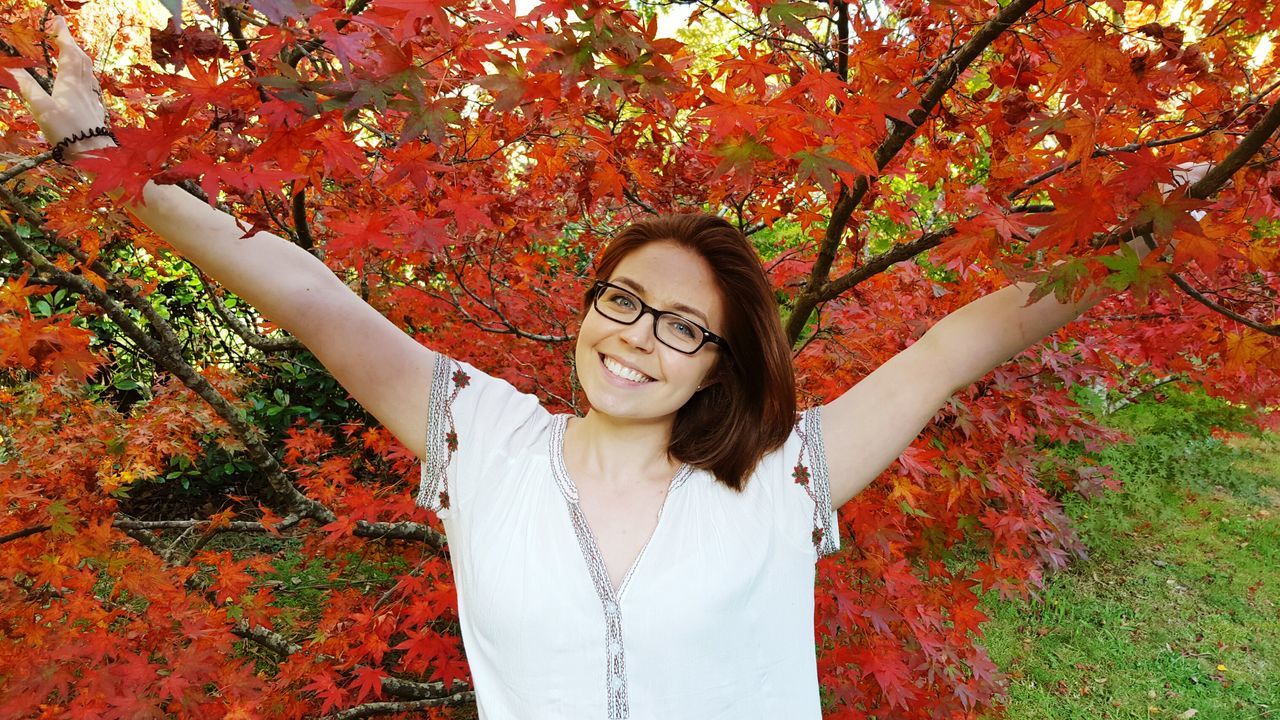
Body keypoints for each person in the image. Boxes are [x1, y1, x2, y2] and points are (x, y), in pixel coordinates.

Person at [7, 17, 1212, 720]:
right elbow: (315, 297)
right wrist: (107, 160)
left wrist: (1137, 235)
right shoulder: (483, 439)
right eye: (623, 300)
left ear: (721, 364)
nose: (636, 335)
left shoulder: (791, 471)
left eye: (682, 326)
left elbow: (956, 345)